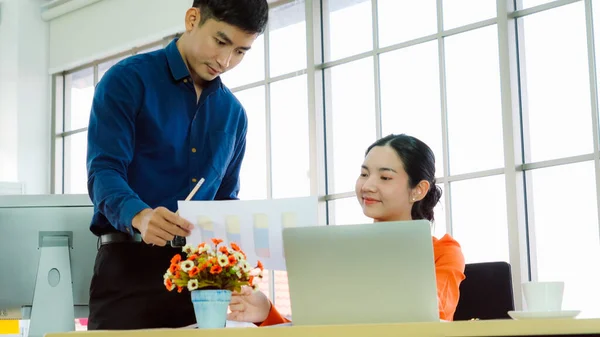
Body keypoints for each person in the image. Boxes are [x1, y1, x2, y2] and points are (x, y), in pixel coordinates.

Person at [86, 0, 269, 330]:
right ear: (192, 18)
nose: (225, 61)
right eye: (221, 41)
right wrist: (141, 216)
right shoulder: (126, 81)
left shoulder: (234, 115)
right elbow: (104, 170)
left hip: (199, 285)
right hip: (127, 273)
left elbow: (225, 202)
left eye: (241, 52)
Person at [227, 134, 466, 324]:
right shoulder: (340, 251)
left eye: (385, 178)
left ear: (418, 190)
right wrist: (266, 312)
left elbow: (435, 316)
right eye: (364, 174)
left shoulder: (442, 251)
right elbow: (316, 330)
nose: (368, 185)